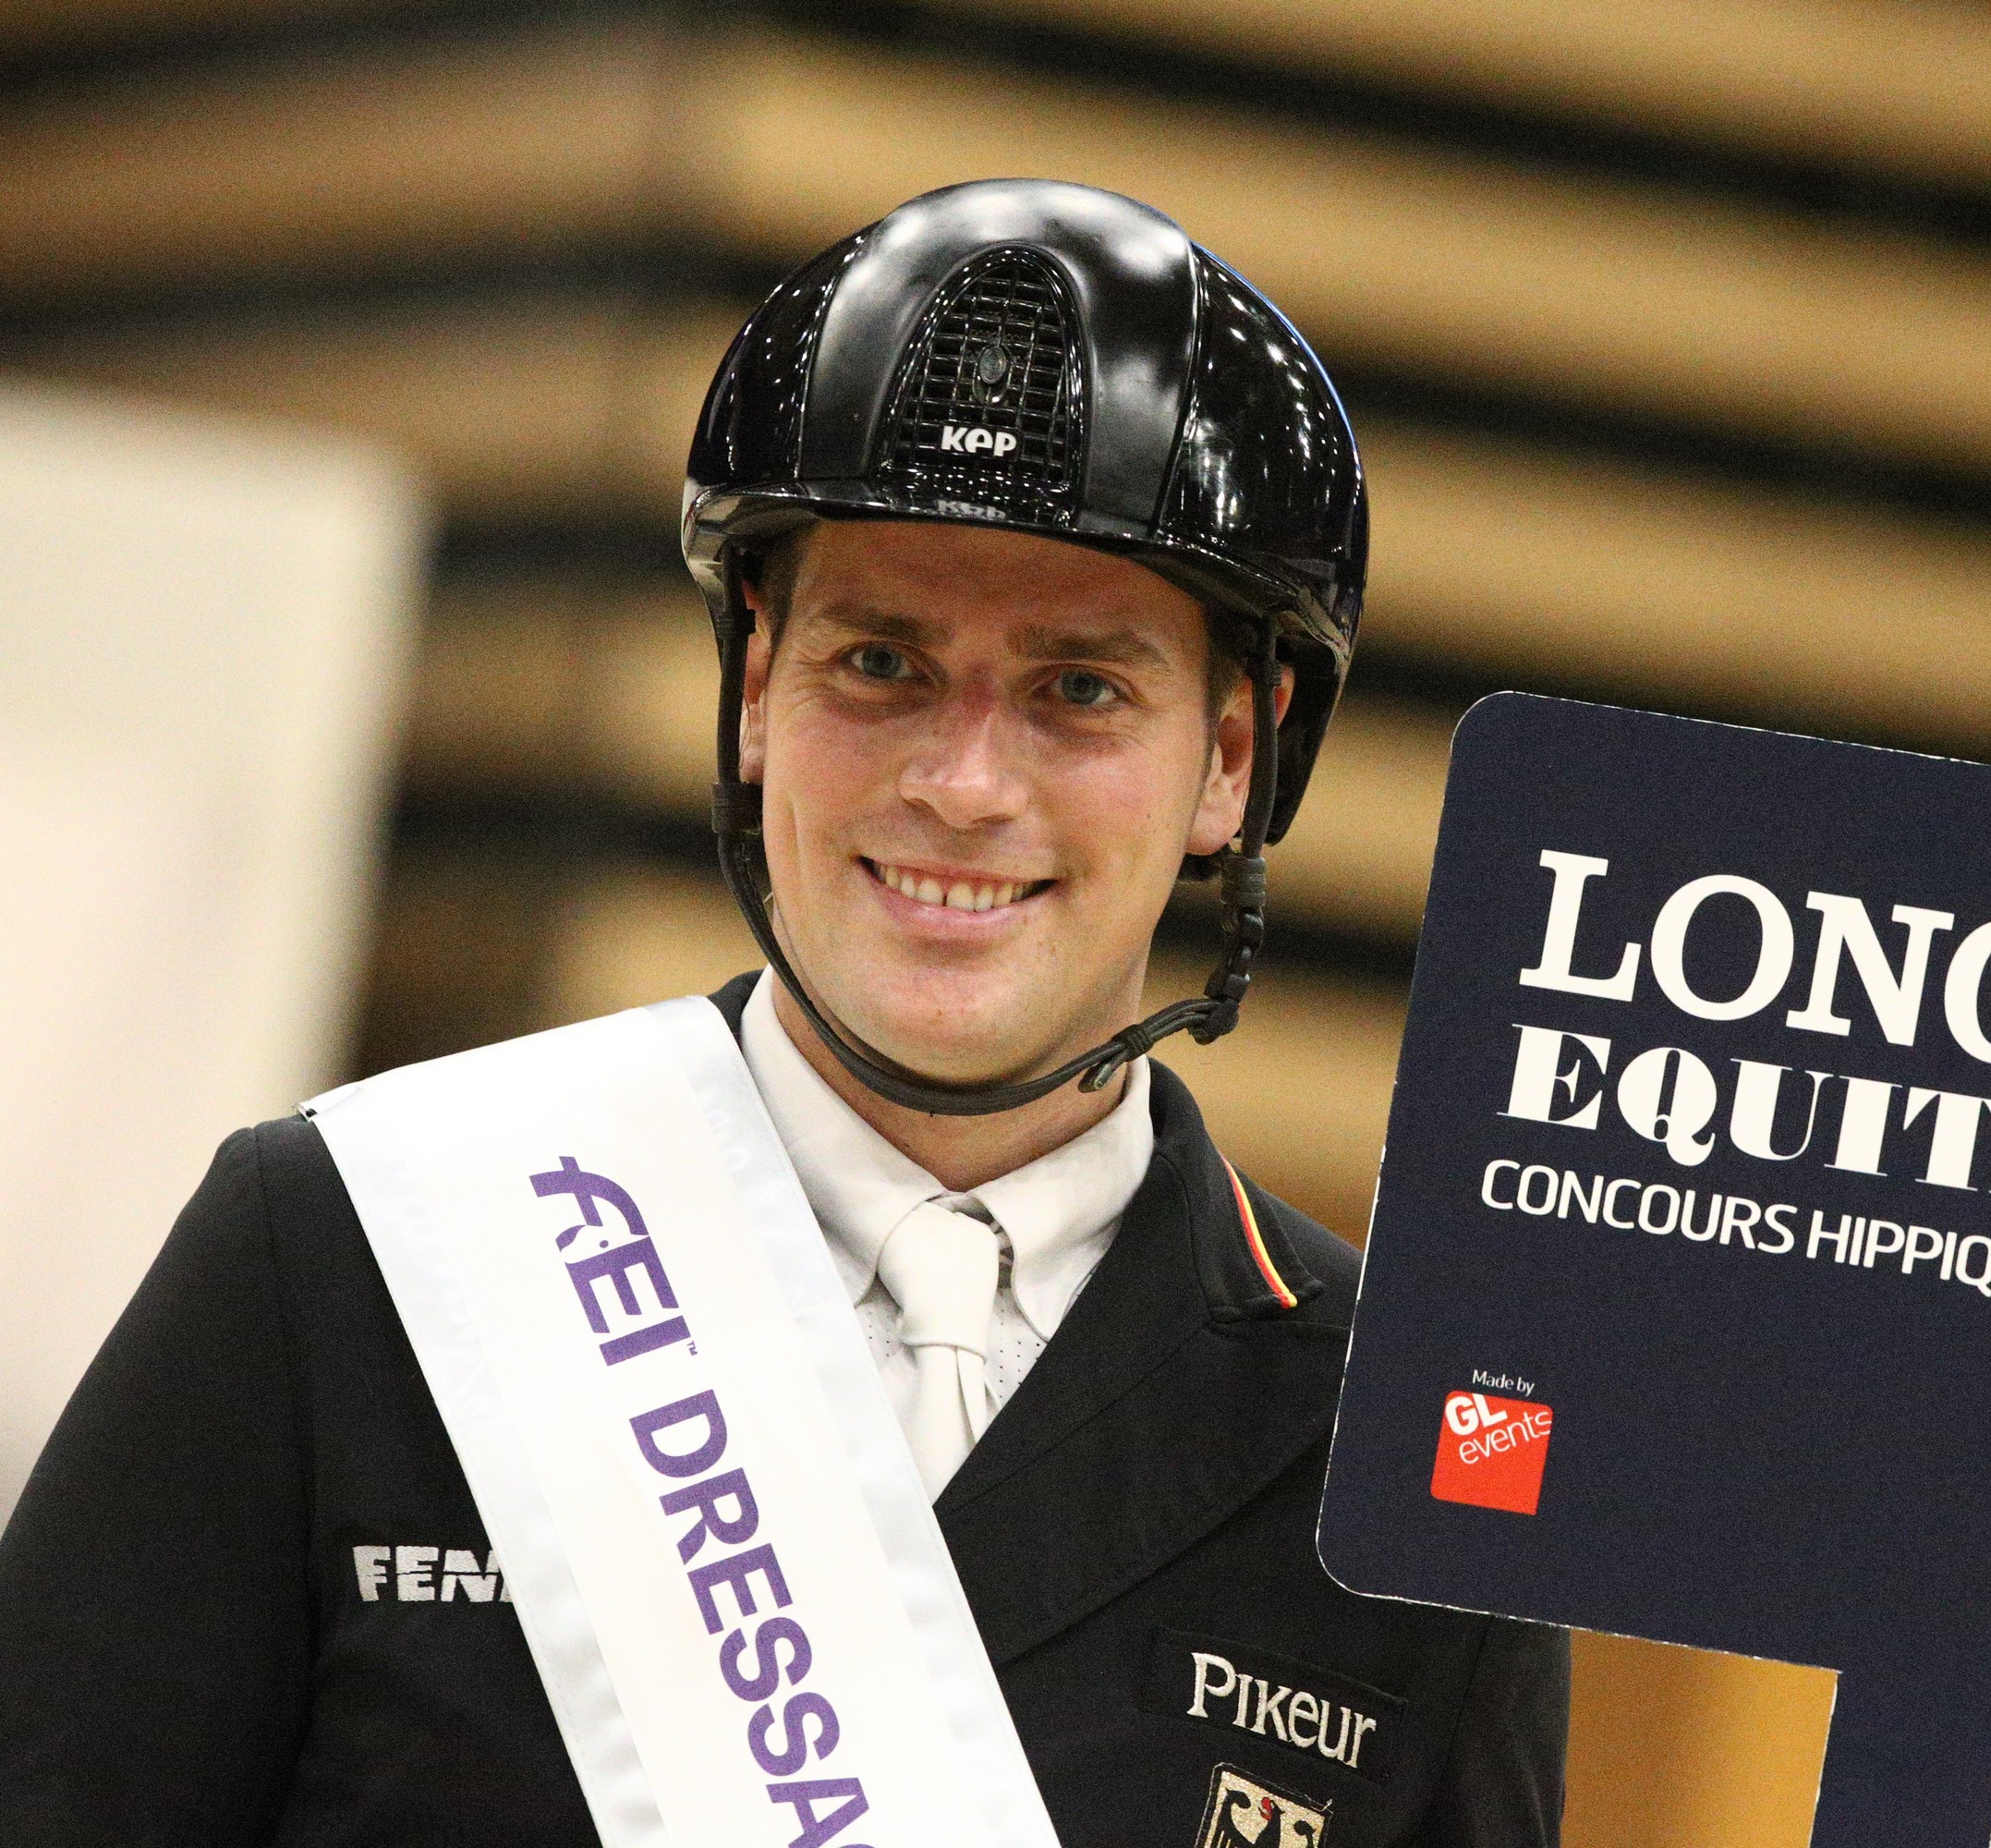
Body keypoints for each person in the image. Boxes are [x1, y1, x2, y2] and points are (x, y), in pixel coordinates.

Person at [0, 179, 1568, 1847]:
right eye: (880, 663)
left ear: (1233, 764)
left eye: (1081, 690)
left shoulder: (1402, 1467)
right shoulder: (345, 1247)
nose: (963, 785)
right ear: (756, 689)